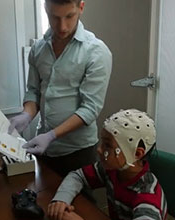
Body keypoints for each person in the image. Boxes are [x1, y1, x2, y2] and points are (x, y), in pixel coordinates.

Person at [8, 0, 112, 176]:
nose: (62, 26)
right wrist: (27, 115)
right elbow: (33, 91)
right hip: (44, 150)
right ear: (46, 9)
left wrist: (52, 136)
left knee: (80, 202)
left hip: (78, 151)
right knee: (43, 197)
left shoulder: (96, 52)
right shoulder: (38, 49)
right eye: (54, 17)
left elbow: (90, 109)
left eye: (69, 16)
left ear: (81, 7)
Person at [47, 109, 168, 220]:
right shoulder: (113, 170)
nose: (99, 150)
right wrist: (62, 199)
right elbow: (77, 176)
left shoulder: (148, 198)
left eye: (108, 145)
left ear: (136, 153)